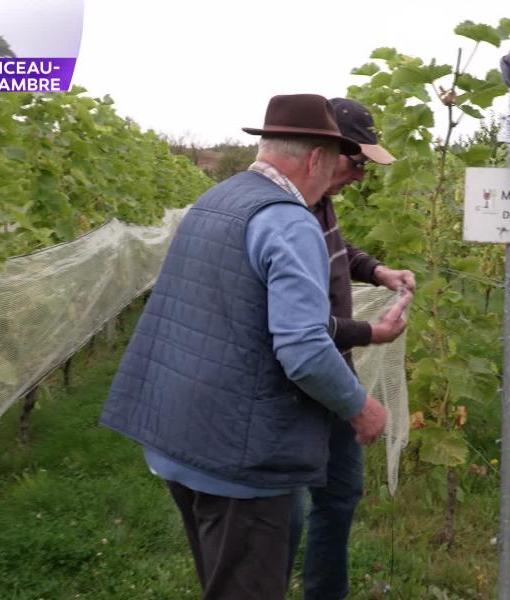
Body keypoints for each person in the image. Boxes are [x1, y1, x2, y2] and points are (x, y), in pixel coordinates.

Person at [99, 93, 388, 600]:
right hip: (238, 456)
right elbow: (304, 350)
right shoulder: (289, 221)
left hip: (180, 434)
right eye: (339, 164)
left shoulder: (217, 200)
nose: (341, 180)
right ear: (316, 159)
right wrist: (360, 407)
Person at [288, 97, 416, 600]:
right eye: (358, 163)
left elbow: (340, 250)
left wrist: (378, 271)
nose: (361, 177)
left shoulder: (320, 201)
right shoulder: (285, 213)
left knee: (340, 493)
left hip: (333, 373)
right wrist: (371, 333)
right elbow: (297, 332)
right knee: (282, 511)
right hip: (297, 380)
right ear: (325, 152)